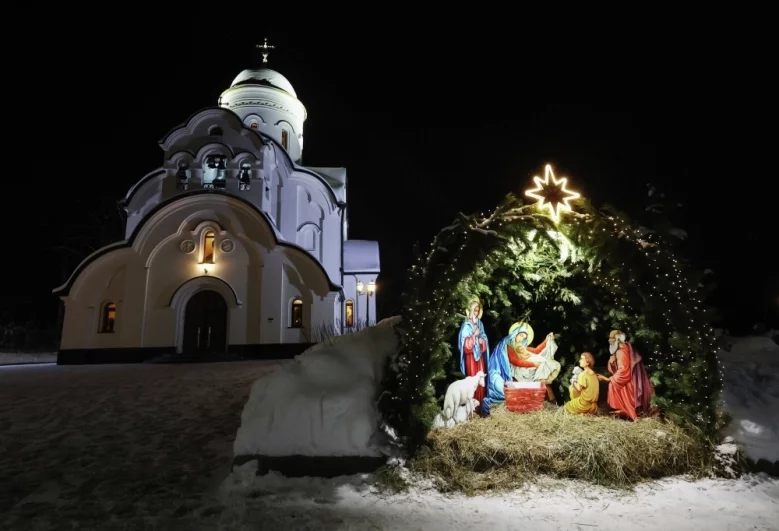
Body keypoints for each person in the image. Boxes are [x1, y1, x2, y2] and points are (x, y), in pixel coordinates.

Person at [597, 330, 654, 421]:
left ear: (618, 340)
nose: (610, 343)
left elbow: (623, 372)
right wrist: (611, 363)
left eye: (612, 341)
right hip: (632, 379)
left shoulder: (621, 352)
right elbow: (620, 368)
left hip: (629, 382)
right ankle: (625, 411)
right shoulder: (627, 346)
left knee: (613, 385)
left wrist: (607, 379)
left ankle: (631, 414)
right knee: (614, 383)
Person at [458, 298, 490, 411]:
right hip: (471, 357)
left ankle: (481, 405)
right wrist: (474, 336)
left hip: (479, 357)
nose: (475, 313)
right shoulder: (466, 325)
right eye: (473, 310)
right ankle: (472, 407)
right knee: (472, 380)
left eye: (477, 310)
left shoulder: (480, 324)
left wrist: (482, 342)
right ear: (469, 310)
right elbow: (465, 346)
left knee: (481, 378)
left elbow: (484, 337)